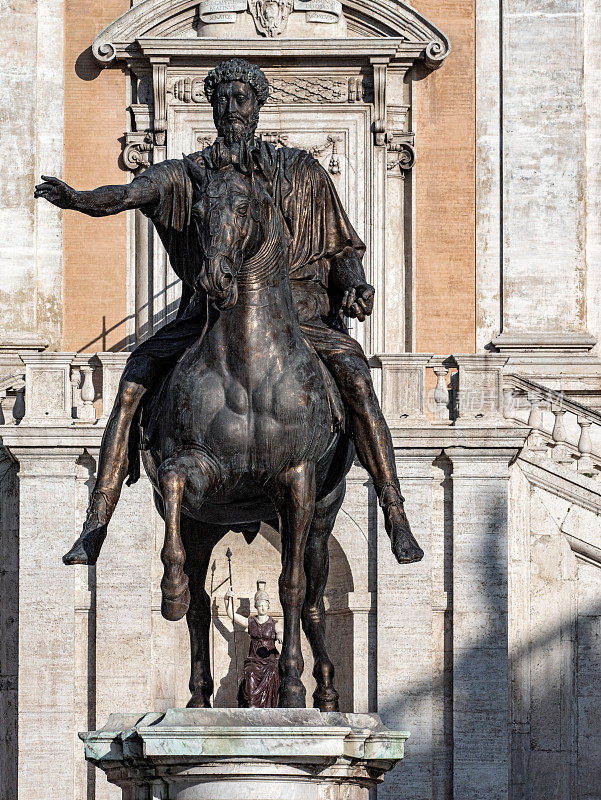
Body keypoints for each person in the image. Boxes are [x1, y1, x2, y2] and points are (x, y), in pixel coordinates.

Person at [34, 58, 423, 568]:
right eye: (224, 98)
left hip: (298, 316)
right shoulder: (191, 174)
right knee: (133, 381)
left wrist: (354, 285)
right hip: (208, 316)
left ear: (257, 107)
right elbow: (131, 193)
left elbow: (339, 247)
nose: (233, 108)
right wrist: (82, 200)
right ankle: (97, 520)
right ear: (212, 106)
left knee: (354, 375)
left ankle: (393, 508)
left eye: (243, 98)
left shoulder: (299, 170)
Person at [225, 582, 282, 708]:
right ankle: (252, 705)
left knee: (273, 671)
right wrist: (227, 599)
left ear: (268, 606)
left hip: (270, 659)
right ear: (256, 606)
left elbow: (281, 632)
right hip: (254, 659)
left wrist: (280, 637)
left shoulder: (274, 623)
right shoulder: (250, 622)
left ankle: (269, 707)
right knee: (250, 673)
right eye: (260, 605)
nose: (262, 608)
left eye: (264, 605)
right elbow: (232, 615)